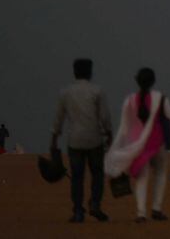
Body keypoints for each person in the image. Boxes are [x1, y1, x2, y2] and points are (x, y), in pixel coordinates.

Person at [105, 68, 170, 223]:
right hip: (158, 143)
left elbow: (124, 127)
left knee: (142, 178)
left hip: (138, 145)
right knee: (160, 174)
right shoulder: (161, 98)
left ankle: (141, 213)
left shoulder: (129, 100)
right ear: (153, 81)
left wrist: (119, 147)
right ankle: (156, 209)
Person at [50, 59, 113, 223]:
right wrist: (109, 134)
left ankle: (78, 210)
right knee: (97, 174)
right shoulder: (97, 91)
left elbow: (58, 120)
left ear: (74, 72)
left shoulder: (66, 93)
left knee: (77, 177)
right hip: (94, 139)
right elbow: (105, 117)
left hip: (75, 141)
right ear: (90, 72)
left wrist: (54, 140)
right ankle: (95, 204)